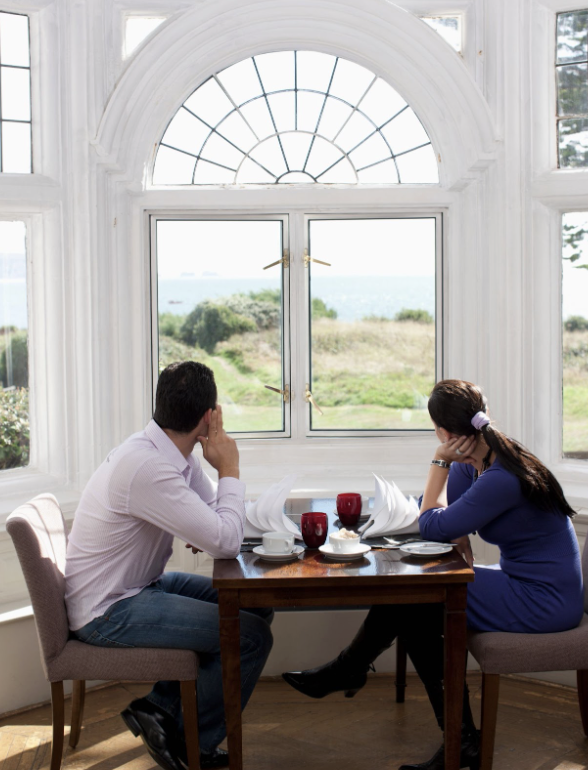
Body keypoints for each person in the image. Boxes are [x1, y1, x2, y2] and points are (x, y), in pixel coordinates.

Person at [282, 379, 583, 770]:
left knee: (415, 599)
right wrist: (460, 541)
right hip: (523, 582)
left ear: (443, 432)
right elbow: (446, 517)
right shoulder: (482, 459)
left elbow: (432, 525)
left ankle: (353, 673)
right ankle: (457, 738)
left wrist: (438, 461)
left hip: (545, 600)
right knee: (414, 601)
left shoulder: (501, 476)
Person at [64, 361, 273, 770]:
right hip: (108, 610)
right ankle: (190, 743)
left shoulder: (168, 452)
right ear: (208, 417)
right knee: (250, 638)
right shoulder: (149, 467)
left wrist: (209, 526)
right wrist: (229, 468)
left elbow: (216, 524)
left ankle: (159, 708)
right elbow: (226, 540)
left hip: (138, 587)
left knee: (255, 602)